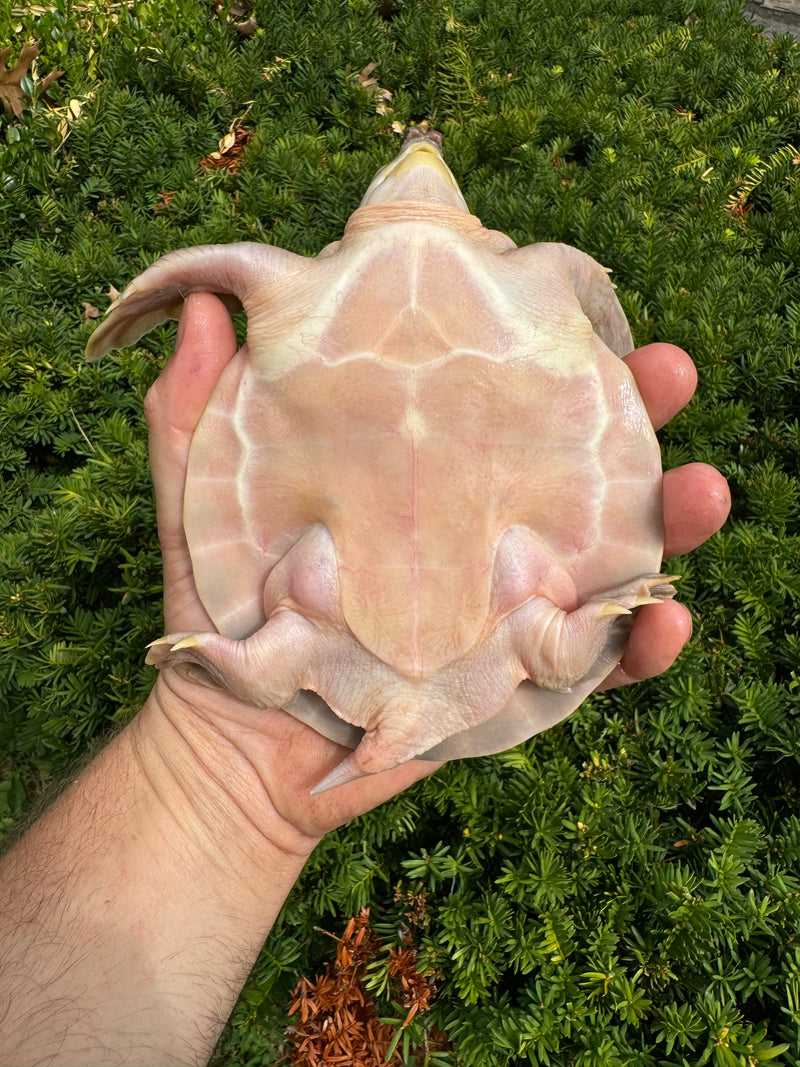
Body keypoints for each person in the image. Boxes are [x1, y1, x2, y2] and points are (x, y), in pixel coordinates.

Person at [0, 294, 731, 1067]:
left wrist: (213, 769)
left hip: (373, 601)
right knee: (523, 615)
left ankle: (278, 657)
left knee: (321, 591)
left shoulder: (317, 285)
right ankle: (544, 636)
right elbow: (576, 302)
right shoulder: (526, 277)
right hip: (485, 604)